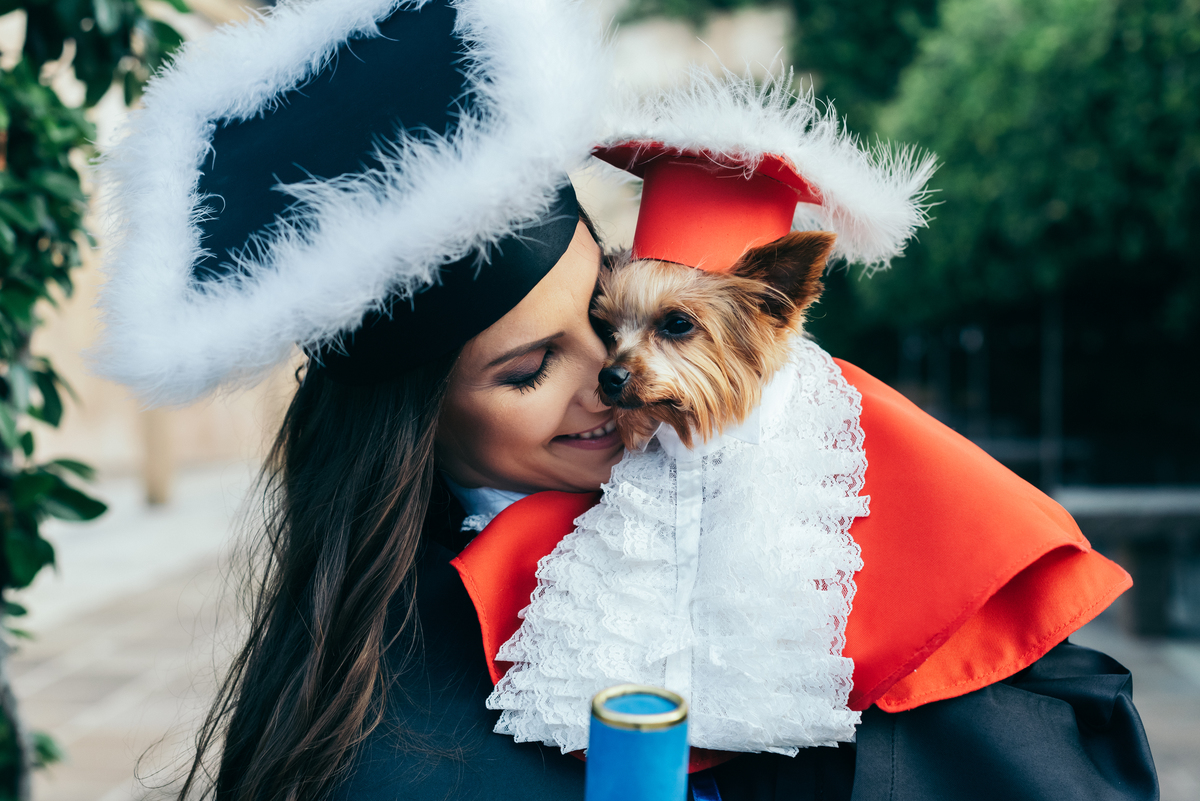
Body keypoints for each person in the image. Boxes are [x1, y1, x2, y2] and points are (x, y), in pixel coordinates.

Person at [95, 1, 1157, 800]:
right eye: (524, 372)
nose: (606, 380)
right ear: (411, 429)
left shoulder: (798, 494)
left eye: (599, 323)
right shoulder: (378, 720)